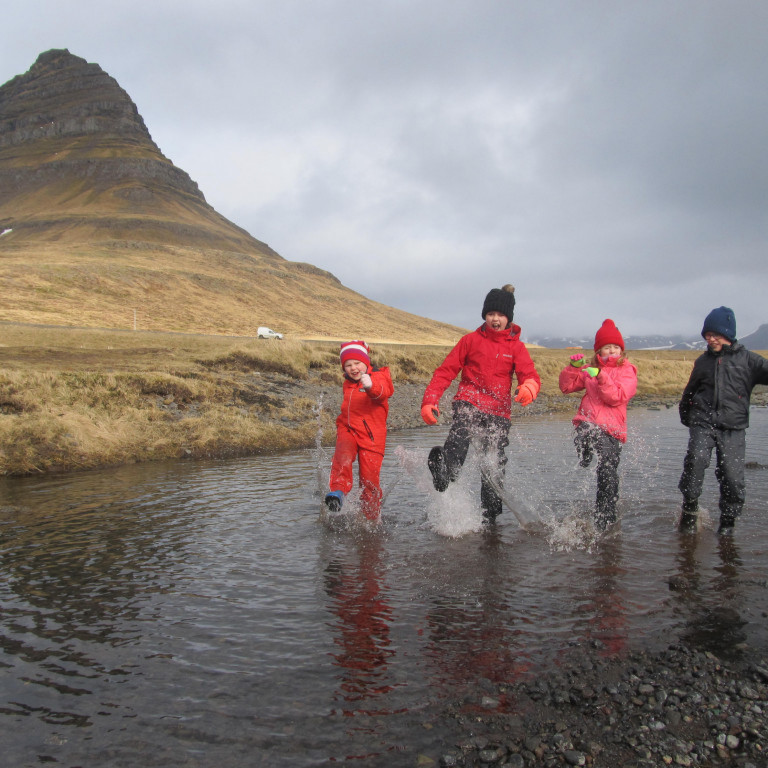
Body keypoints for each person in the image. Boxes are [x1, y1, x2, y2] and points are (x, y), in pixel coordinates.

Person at [421, 284, 541, 522]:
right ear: (484, 315)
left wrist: (529, 387)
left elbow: (530, 375)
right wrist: (429, 400)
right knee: (461, 431)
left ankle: (491, 516)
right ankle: (446, 472)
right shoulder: (470, 341)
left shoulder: (516, 347)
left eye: (500, 315)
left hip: (498, 412)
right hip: (469, 400)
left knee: (493, 465)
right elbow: (445, 371)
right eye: (490, 314)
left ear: (509, 318)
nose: (495, 319)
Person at [678, 306, 768, 534]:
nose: (710, 339)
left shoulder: (749, 360)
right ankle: (689, 511)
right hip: (703, 422)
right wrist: (687, 416)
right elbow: (690, 391)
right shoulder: (703, 362)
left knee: (732, 476)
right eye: (707, 335)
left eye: (714, 334)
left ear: (727, 334)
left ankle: (727, 523)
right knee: (695, 462)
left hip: (733, 426)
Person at [558, 319, 637, 531]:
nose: (611, 351)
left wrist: (602, 378)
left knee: (607, 473)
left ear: (621, 350)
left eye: (616, 347)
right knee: (583, 433)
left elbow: (617, 397)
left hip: (612, 429)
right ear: (598, 351)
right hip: (588, 421)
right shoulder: (590, 369)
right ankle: (584, 455)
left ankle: (605, 517)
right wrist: (573, 368)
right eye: (606, 347)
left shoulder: (627, 370)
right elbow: (566, 387)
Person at [325, 340, 394, 522]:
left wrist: (370, 386)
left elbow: (383, 393)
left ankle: (371, 518)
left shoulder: (378, 377)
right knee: (343, 457)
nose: (353, 368)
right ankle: (338, 493)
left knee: (369, 480)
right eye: (348, 365)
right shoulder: (347, 383)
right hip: (347, 429)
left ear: (366, 362)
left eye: (357, 363)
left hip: (373, 437)